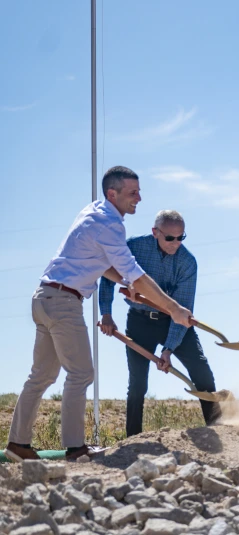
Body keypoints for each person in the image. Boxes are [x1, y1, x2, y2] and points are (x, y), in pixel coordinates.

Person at [5, 166, 193, 462]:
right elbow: (136, 272)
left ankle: (17, 446)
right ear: (112, 193)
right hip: (63, 302)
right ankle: (76, 450)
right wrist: (174, 308)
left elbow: (101, 263)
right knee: (81, 373)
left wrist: (129, 284)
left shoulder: (93, 211)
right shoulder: (110, 224)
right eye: (133, 192)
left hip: (44, 297)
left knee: (40, 376)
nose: (139, 198)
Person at [98, 210, 220, 436]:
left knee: (202, 373)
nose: (176, 243)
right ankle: (133, 439)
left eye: (181, 237)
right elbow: (107, 274)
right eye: (170, 238)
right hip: (139, 322)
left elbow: (181, 309)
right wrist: (106, 312)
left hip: (174, 323)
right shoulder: (133, 247)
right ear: (155, 232)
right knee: (137, 384)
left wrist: (168, 349)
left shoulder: (188, 262)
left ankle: (218, 431)